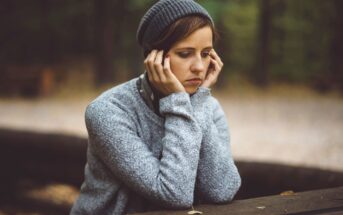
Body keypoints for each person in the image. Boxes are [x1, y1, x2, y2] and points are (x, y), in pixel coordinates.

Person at [70, 0, 241, 214]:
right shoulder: (107, 111)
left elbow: (223, 190)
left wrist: (196, 104)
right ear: (154, 58)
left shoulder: (208, 107)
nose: (199, 67)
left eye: (206, 54)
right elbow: (174, 194)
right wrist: (178, 100)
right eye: (185, 54)